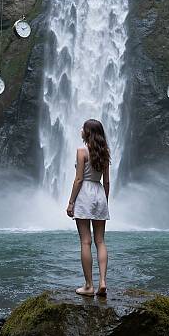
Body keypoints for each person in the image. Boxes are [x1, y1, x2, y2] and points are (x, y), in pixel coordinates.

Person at [66, 119, 110, 298]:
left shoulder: (81, 151)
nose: (80, 130)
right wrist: (104, 201)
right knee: (100, 241)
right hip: (99, 193)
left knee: (85, 241)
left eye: (83, 128)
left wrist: (71, 202)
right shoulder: (105, 152)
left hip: (84, 194)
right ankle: (103, 282)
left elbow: (78, 180)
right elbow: (106, 181)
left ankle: (89, 286)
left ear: (88, 133)